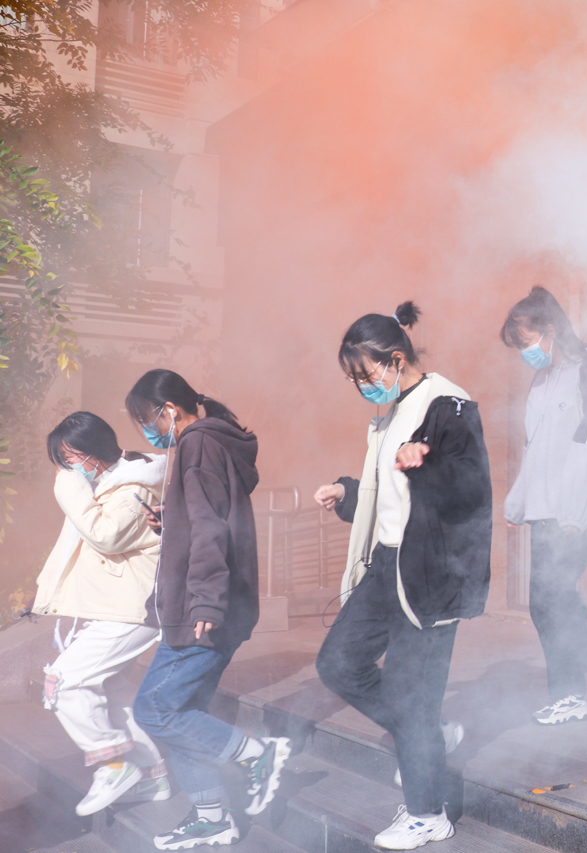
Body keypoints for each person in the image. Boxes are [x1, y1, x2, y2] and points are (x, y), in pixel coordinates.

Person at [314, 301, 491, 850]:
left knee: (413, 697)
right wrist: (348, 492)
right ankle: (427, 737)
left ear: (395, 359)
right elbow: (391, 495)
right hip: (386, 563)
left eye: (366, 376)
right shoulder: (390, 413)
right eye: (355, 380)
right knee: (338, 663)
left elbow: (471, 486)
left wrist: (427, 460)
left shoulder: (448, 404)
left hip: (432, 573)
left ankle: (426, 813)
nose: (363, 387)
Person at [126, 370, 288, 850]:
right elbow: (206, 519)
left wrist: (206, 598)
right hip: (212, 603)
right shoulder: (211, 443)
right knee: (184, 709)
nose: (146, 431)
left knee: (154, 708)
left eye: (145, 420)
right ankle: (212, 817)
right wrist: (170, 522)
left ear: (169, 410)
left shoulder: (196, 443)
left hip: (202, 610)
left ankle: (254, 754)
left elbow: (211, 528)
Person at [500, 286, 587, 726]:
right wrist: (518, 505)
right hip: (549, 510)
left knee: (555, 591)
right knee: (542, 601)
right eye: (519, 346)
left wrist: (574, 514)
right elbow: (534, 450)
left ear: (550, 331)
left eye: (527, 341)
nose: (525, 353)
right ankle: (570, 695)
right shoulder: (542, 380)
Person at [32, 412, 170, 816]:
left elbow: (105, 536)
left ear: (93, 451)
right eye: (63, 462)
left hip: (135, 608)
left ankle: (113, 765)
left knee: (63, 682)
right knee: (110, 693)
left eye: (70, 458)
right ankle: (153, 775)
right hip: (117, 605)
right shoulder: (110, 482)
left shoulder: (134, 487)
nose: (68, 468)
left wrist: (68, 486)